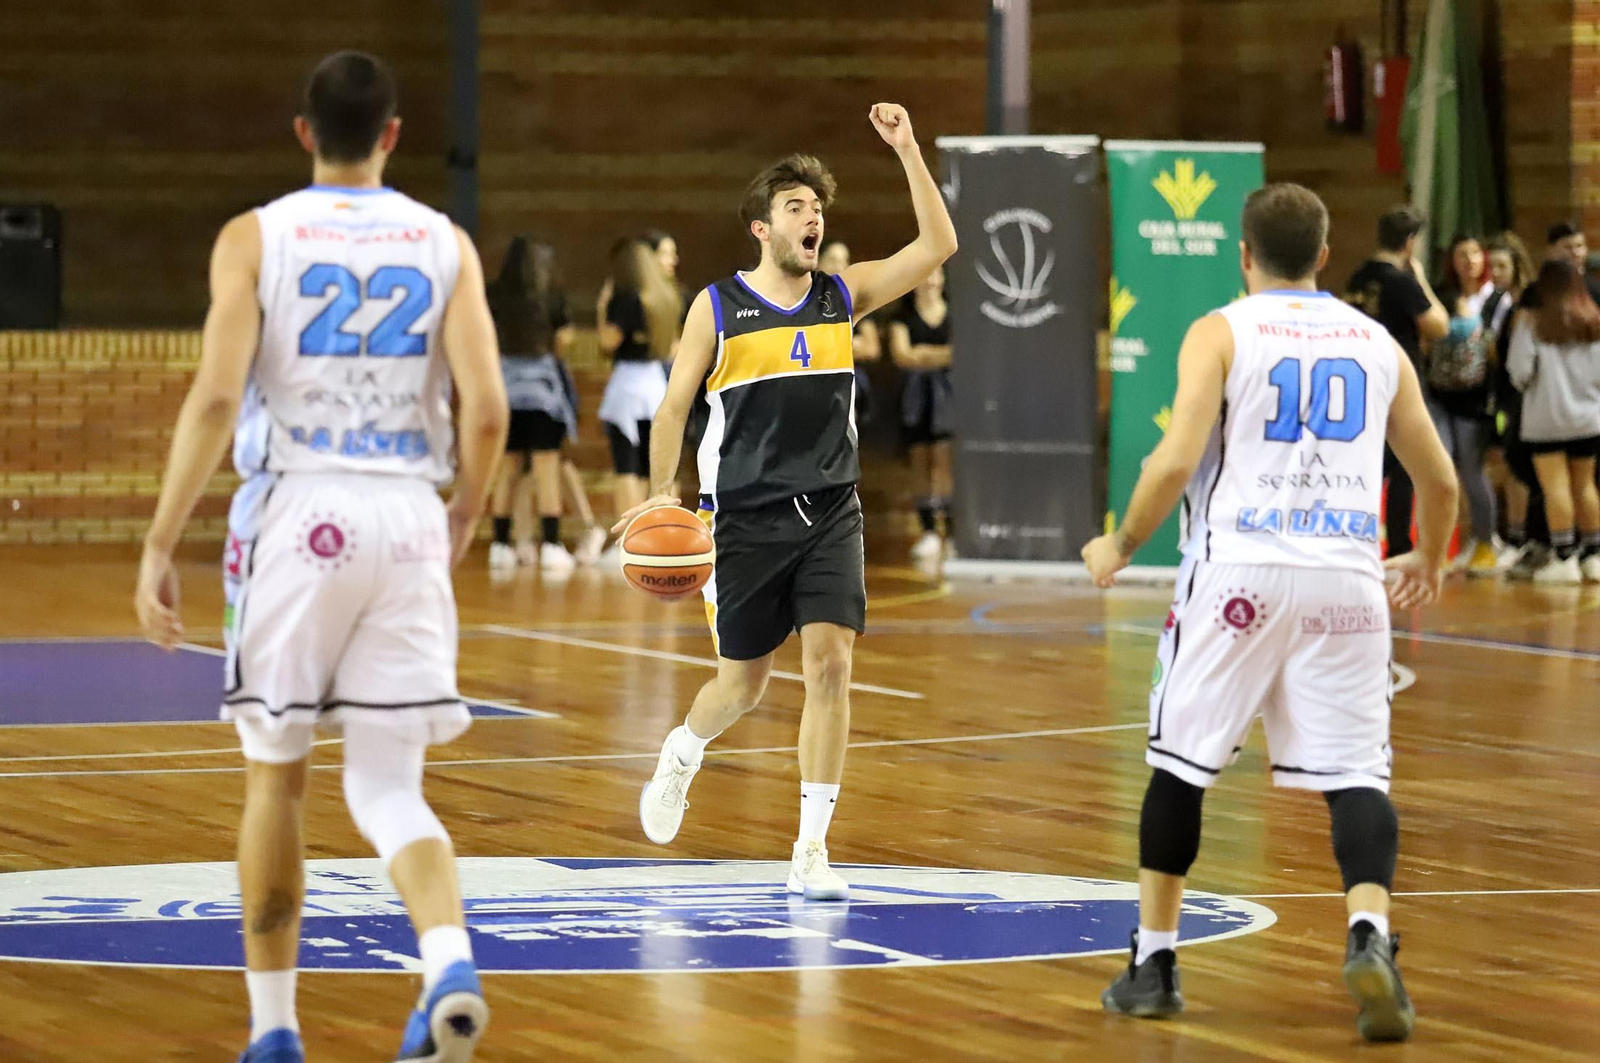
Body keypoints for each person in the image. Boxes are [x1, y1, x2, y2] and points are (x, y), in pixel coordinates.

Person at [133, 53, 504, 1063]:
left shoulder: (257, 236)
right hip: (405, 514)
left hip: (300, 514)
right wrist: (462, 514)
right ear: (393, 133)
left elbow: (215, 397)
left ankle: (275, 1031)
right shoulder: (445, 243)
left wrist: (162, 539)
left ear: (303, 133)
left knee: (275, 781)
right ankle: (446, 961)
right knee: (389, 786)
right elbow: (489, 409)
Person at [1083, 183, 1457, 1043]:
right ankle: (1370, 936)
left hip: (1239, 576)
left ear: (1242, 254)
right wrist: (1429, 556)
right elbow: (1436, 478)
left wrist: (1122, 543)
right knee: (1357, 774)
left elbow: (1177, 460)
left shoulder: (1221, 330)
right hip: (1347, 581)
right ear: (1325, 256)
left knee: (1180, 764)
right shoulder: (1375, 341)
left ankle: (1155, 962)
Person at [616, 104, 957, 898]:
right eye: (797, 208)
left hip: (832, 509)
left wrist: (907, 149)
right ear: (762, 230)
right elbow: (672, 409)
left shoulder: (843, 296)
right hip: (742, 516)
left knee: (832, 664)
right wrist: (663, 495)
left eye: (819, 208)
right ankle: (682, 754)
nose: (814, 218)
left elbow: (938, 246)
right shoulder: (717, 307)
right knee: (743, 684)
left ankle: (810, 847)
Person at [485, 236, 604, 574]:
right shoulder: (550, 296)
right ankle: (551, 544)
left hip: (504, 390)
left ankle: (499, 545)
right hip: (542, 393)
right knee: (546, 469)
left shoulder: (495, 294)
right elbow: (564, 340)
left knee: (506, 470)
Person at [1343, 206, 1450, 556]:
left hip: (1359, 380)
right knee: (1405, 466)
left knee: (1366, 464)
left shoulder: (1358, 277)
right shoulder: (1401, 281)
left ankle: (1359, 542)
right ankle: (1401, 547)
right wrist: (1419, 278)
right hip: (1397, 383)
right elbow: (1438, 326)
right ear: (1409, 243)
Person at [1506, 258, 1600, 584]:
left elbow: (1519, 372)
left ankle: (1564, 557)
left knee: (1556, 488)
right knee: (1585, 485)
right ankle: (1594, 555)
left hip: (1547, 419)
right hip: (1589, 418)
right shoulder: (1593, 320)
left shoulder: (1532, 323)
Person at [597, 238, 680, 547]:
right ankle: (659, 538)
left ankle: (630, 541)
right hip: (657, 385)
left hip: (628, 388)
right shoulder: (664, 298)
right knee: (652, 468)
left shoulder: (625, 298)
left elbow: (608, 342)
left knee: (626, 467)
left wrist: (602, 309)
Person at [1426, 234, 1501, 573]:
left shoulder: (1496, 300)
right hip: (1440, 395)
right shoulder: (1441, 296)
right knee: (1442, 471)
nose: (1469, 260)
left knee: (1473, 472)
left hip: (1476, 401)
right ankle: (1438, 545)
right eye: (1461, 254)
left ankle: (1485, 541)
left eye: (1474, 252)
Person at [888, 268, 954, 560]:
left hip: (949, 397)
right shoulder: (902, 318)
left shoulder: (954, 313)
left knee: (944, 463)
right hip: (914, 399)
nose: (929, 281)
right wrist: (936, 355)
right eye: (924, 275)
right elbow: (902, 355)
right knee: (920, 463)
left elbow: (959, 352)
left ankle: (950, 531)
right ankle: (927, 530)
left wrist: (923, 353)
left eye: (935, 275)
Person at [1483, 233, 1535, 568]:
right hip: (1501, 395)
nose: (1496, 272)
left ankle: (1521, 537)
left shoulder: (1528, 303)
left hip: (1523, 396)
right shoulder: (1492, 302)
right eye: (1492, 266)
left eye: (1502, 265)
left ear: (1517, 265)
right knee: (1506, 464)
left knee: (1519, 468)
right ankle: (1513, 535)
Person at [820, 239, 883, 429]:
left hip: (850, 388)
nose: (839, 266)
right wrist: (850, 344)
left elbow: (872, 349)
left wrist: (829, 346)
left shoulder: (856, 302)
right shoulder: (806, 301)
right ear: (817, 262)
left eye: (844, 261)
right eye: (832, 260)